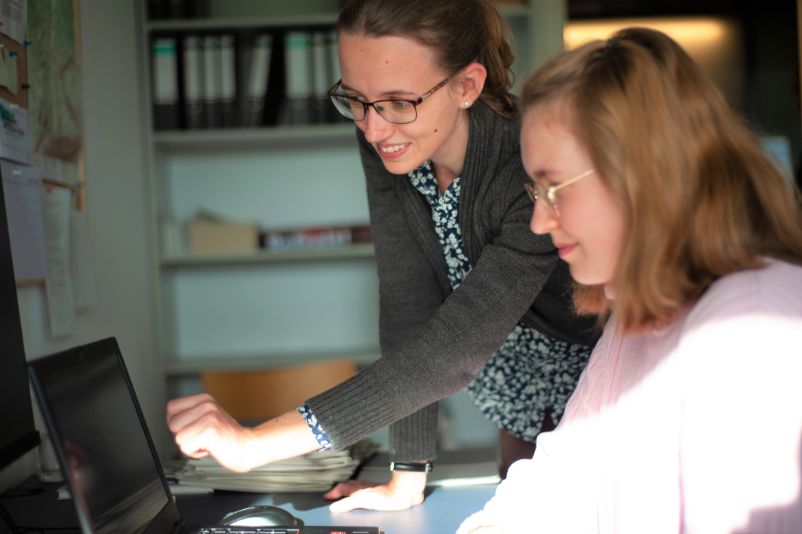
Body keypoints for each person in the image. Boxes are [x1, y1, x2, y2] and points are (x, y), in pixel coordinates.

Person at [166, 0, 599, 513]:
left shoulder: (527, 164)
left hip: (593, 372)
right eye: (355, 99)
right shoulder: (387, 139)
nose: (373, 130)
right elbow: (407, 307)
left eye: (398, 102)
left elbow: (453, 349)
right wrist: (408, 471)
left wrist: (255, 445)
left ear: (467, 85)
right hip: (512, 379)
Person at [458, 27, 802, 533]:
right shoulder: (638, 313)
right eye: (537, 192)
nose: (539, 222)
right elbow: (558, 483)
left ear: (640, 173)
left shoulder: (752, 328)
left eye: (555, 188)